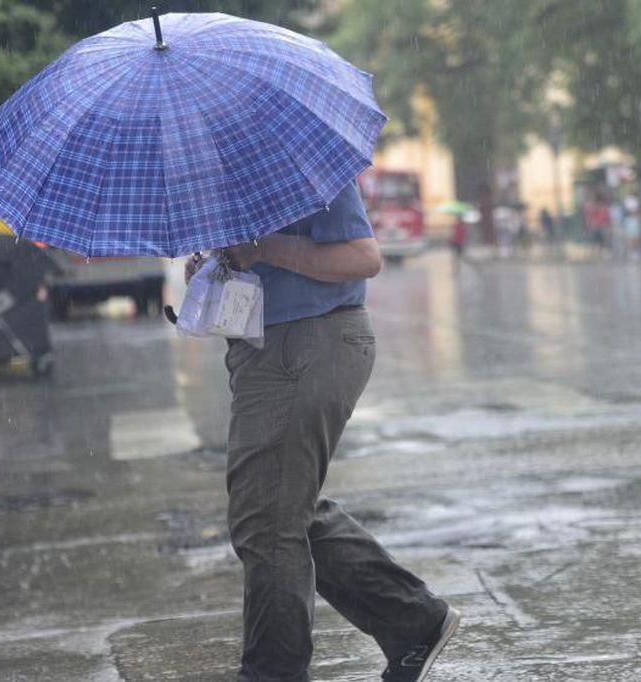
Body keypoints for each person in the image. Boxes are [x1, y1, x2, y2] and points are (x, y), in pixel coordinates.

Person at [187, 181, 459, 682]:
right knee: (282, 509)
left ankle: (275, 674)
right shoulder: (228, 170)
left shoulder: (302, 160)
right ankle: (412, 620)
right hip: (269, 349)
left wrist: (262, 248)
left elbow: (362, 257)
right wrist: (217, 268)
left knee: (268, 524)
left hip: (310, 342)